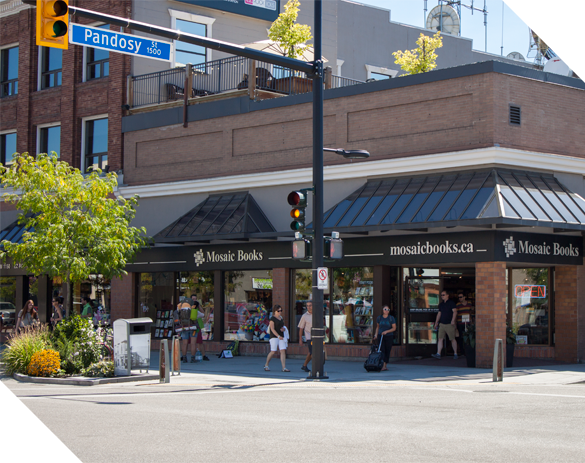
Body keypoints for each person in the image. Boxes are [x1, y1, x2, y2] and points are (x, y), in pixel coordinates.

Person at [432, 290, 458, 359]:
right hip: (442, 324)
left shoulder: (451, 303)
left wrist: (453, 320)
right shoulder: (441, 304)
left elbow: (455, 312)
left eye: (443, 295)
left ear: (447, 295)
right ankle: (438, 353)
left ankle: (455, 353)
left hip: (449, 324)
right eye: (441, 295)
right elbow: (439, 313)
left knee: (452, 339)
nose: (442, 296)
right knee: (440, 338)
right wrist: (436, 322)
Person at [264, 304, 289, 372]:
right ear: (275, 311)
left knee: (283, 350)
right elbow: (272, 329)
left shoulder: (281, 318)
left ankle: (284, 367)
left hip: (281, 336)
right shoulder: (272, 319)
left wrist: (283, 329)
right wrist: (278, 336)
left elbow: (282, 326)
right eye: (278, 311)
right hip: (274, 336)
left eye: (281, 310)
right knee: (273, 351)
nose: (280, 312)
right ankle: (266, 364)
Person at [374, 305, 396, 371]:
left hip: (389, 336)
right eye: (385, 309)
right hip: (381, 335)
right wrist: (376, 335)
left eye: (388, 310)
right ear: (383, 310)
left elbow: (394, 328)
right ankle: (382, 365)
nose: (386, 311)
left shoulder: (391, 318)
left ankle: (385, 365)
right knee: (381, 350)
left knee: (387, 350)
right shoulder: (379, 318)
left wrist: (387, 331)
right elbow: (377, 327)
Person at [189, 294, 209, 361]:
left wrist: (199, 306)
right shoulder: (189, 307)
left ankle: (203, 355)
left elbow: (203, 313)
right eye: (193, 299)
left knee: (200, 341)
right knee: (191, 342)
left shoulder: (197, 306)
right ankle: (191, 356)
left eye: (195, 299)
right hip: (191, 325)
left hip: (198, 325)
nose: (194, 300)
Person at [456, 291, 474, 357]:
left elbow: (471, 312)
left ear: (464, 297)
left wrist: (471, 322)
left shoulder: (469, 303)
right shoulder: (458, 305)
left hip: (468, 323)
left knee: (468, 337)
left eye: (461, 297)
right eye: (459, 297)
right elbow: (456, 314)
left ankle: (468, 351)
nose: (460, 298)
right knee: (461, 337)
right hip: (460, 323)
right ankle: (462, 351)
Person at [175, 296, 192, 362]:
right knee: (193, 343)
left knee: (184, 343)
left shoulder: (180, 306)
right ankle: (193, 358)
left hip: (184, 326)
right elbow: (201, 314)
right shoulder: (192, 306)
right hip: (192, 325)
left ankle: (184, 357)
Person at [298, 301, 313, 372]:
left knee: (311, 352)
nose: (309, 307)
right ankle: (316, 368)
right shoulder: (304, 316)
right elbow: (301, 328)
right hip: (309, 336)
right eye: (307, 306)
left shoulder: (317, 314)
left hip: (316, 336)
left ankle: (304, 365)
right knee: (313, 352)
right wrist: (300, 339)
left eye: (310, 305)